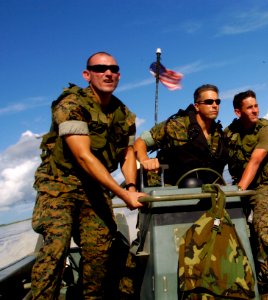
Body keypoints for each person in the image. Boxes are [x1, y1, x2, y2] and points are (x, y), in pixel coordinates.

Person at [31, 51, 146, 299]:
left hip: (94, 188)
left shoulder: (123, 114)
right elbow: (83, 156)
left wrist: (132, 185)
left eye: (113, 69)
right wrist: (122, 194)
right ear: (87, 74)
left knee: (99, 253)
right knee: (56, 249)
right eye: (100, 68)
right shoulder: (71, 104)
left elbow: (127, 154)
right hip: (59, 186)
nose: (108, 73)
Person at [224, 90, 268, 298]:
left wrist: (237, 192)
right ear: (238, 111)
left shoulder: (265, 130)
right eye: (250, 107)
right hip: (241, 187)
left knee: (262, 222)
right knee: (229, 226)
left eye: (256, 106)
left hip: (263, 186)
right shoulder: (230, 133)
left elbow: (255, 162)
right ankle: (255, 274)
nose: (255, 110)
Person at [134, 84, 228, 187]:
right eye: (209, 102)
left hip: (202, 191)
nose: (215, 105)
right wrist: (145, 160)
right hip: (167, 188)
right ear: (197, 106)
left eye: (217, 102)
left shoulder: (219, 134)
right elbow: (140, 142)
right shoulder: (175, 125)